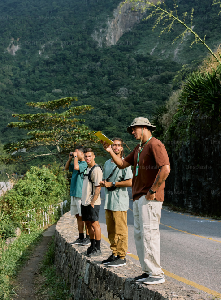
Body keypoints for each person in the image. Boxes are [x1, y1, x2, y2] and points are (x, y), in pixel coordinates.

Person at [102, 117, 170, 285]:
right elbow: (123, 164)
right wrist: (110, 151)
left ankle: (156, 273)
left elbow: (165, 169)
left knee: (150, 234)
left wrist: (153, 190)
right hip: (139, 197)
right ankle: (147, 271)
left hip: (150, 197)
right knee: (140, 235)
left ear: (145, 127)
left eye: (134, 129)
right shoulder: (139, 148)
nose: (132, 132)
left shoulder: (155, 144)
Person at [100, 138, 133, 267]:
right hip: (108, 200)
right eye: (114, 145)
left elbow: (130, 182)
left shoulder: (125, 163)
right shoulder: (107, 163)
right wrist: (104, 183)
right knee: (111, 230)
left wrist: (113, 183)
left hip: (119, 201)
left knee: (121, 230)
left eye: (119, 145)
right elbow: (106, 179)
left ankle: (122, 256)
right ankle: (114, 253)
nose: (116, 147)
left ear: (122, 148)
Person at [64, 146, 90, 246]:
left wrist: (74, 157)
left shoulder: (84, 164)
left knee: (84, 216)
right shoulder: (77, 162)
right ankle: (80, 237)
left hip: (81, 194)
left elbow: (76, 168)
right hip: (74, 193)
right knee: (78, 216)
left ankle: (88, 238)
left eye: (77, 152)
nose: (75, 154)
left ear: (82, 154)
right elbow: (66, 168)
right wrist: (70, 158)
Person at [81, 148, 103, 257]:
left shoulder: (96, 170)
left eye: (89, 156)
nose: (87, 158)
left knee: (95, 224)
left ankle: (98, 248)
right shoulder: (87, 169)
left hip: (92, 202)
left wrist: (93, 201)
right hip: (84, 201)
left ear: (94, 156)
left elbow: (98, 187)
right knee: (88, 223)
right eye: (86, 156)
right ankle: (92, 245)